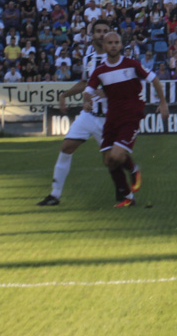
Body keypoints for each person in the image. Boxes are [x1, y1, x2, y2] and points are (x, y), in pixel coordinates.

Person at [59, 30, 168, 207]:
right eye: (110, 43)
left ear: (121, 45)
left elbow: (154, 80)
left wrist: (163, 103)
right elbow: (88, 90)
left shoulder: (132, 64)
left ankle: (133, 170)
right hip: (112, 117)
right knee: (108, 161)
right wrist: (87, 103)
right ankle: (128, 198)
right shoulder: (99, 71)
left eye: (116, 42)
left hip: (131, 116)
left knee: (117, 155)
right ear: (104, 46)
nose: (113, 46)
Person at [39, 21, 135, 206]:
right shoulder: (89, 59)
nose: (101, 34)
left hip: (110, 118)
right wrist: (65, 95)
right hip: (89, 115)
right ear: (92, 35)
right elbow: (85, 82)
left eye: (105, 31)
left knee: (111, 161)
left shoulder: (121, 62)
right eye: (98, 31)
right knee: (66, 147)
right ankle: (55, 195)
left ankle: (126, 192)